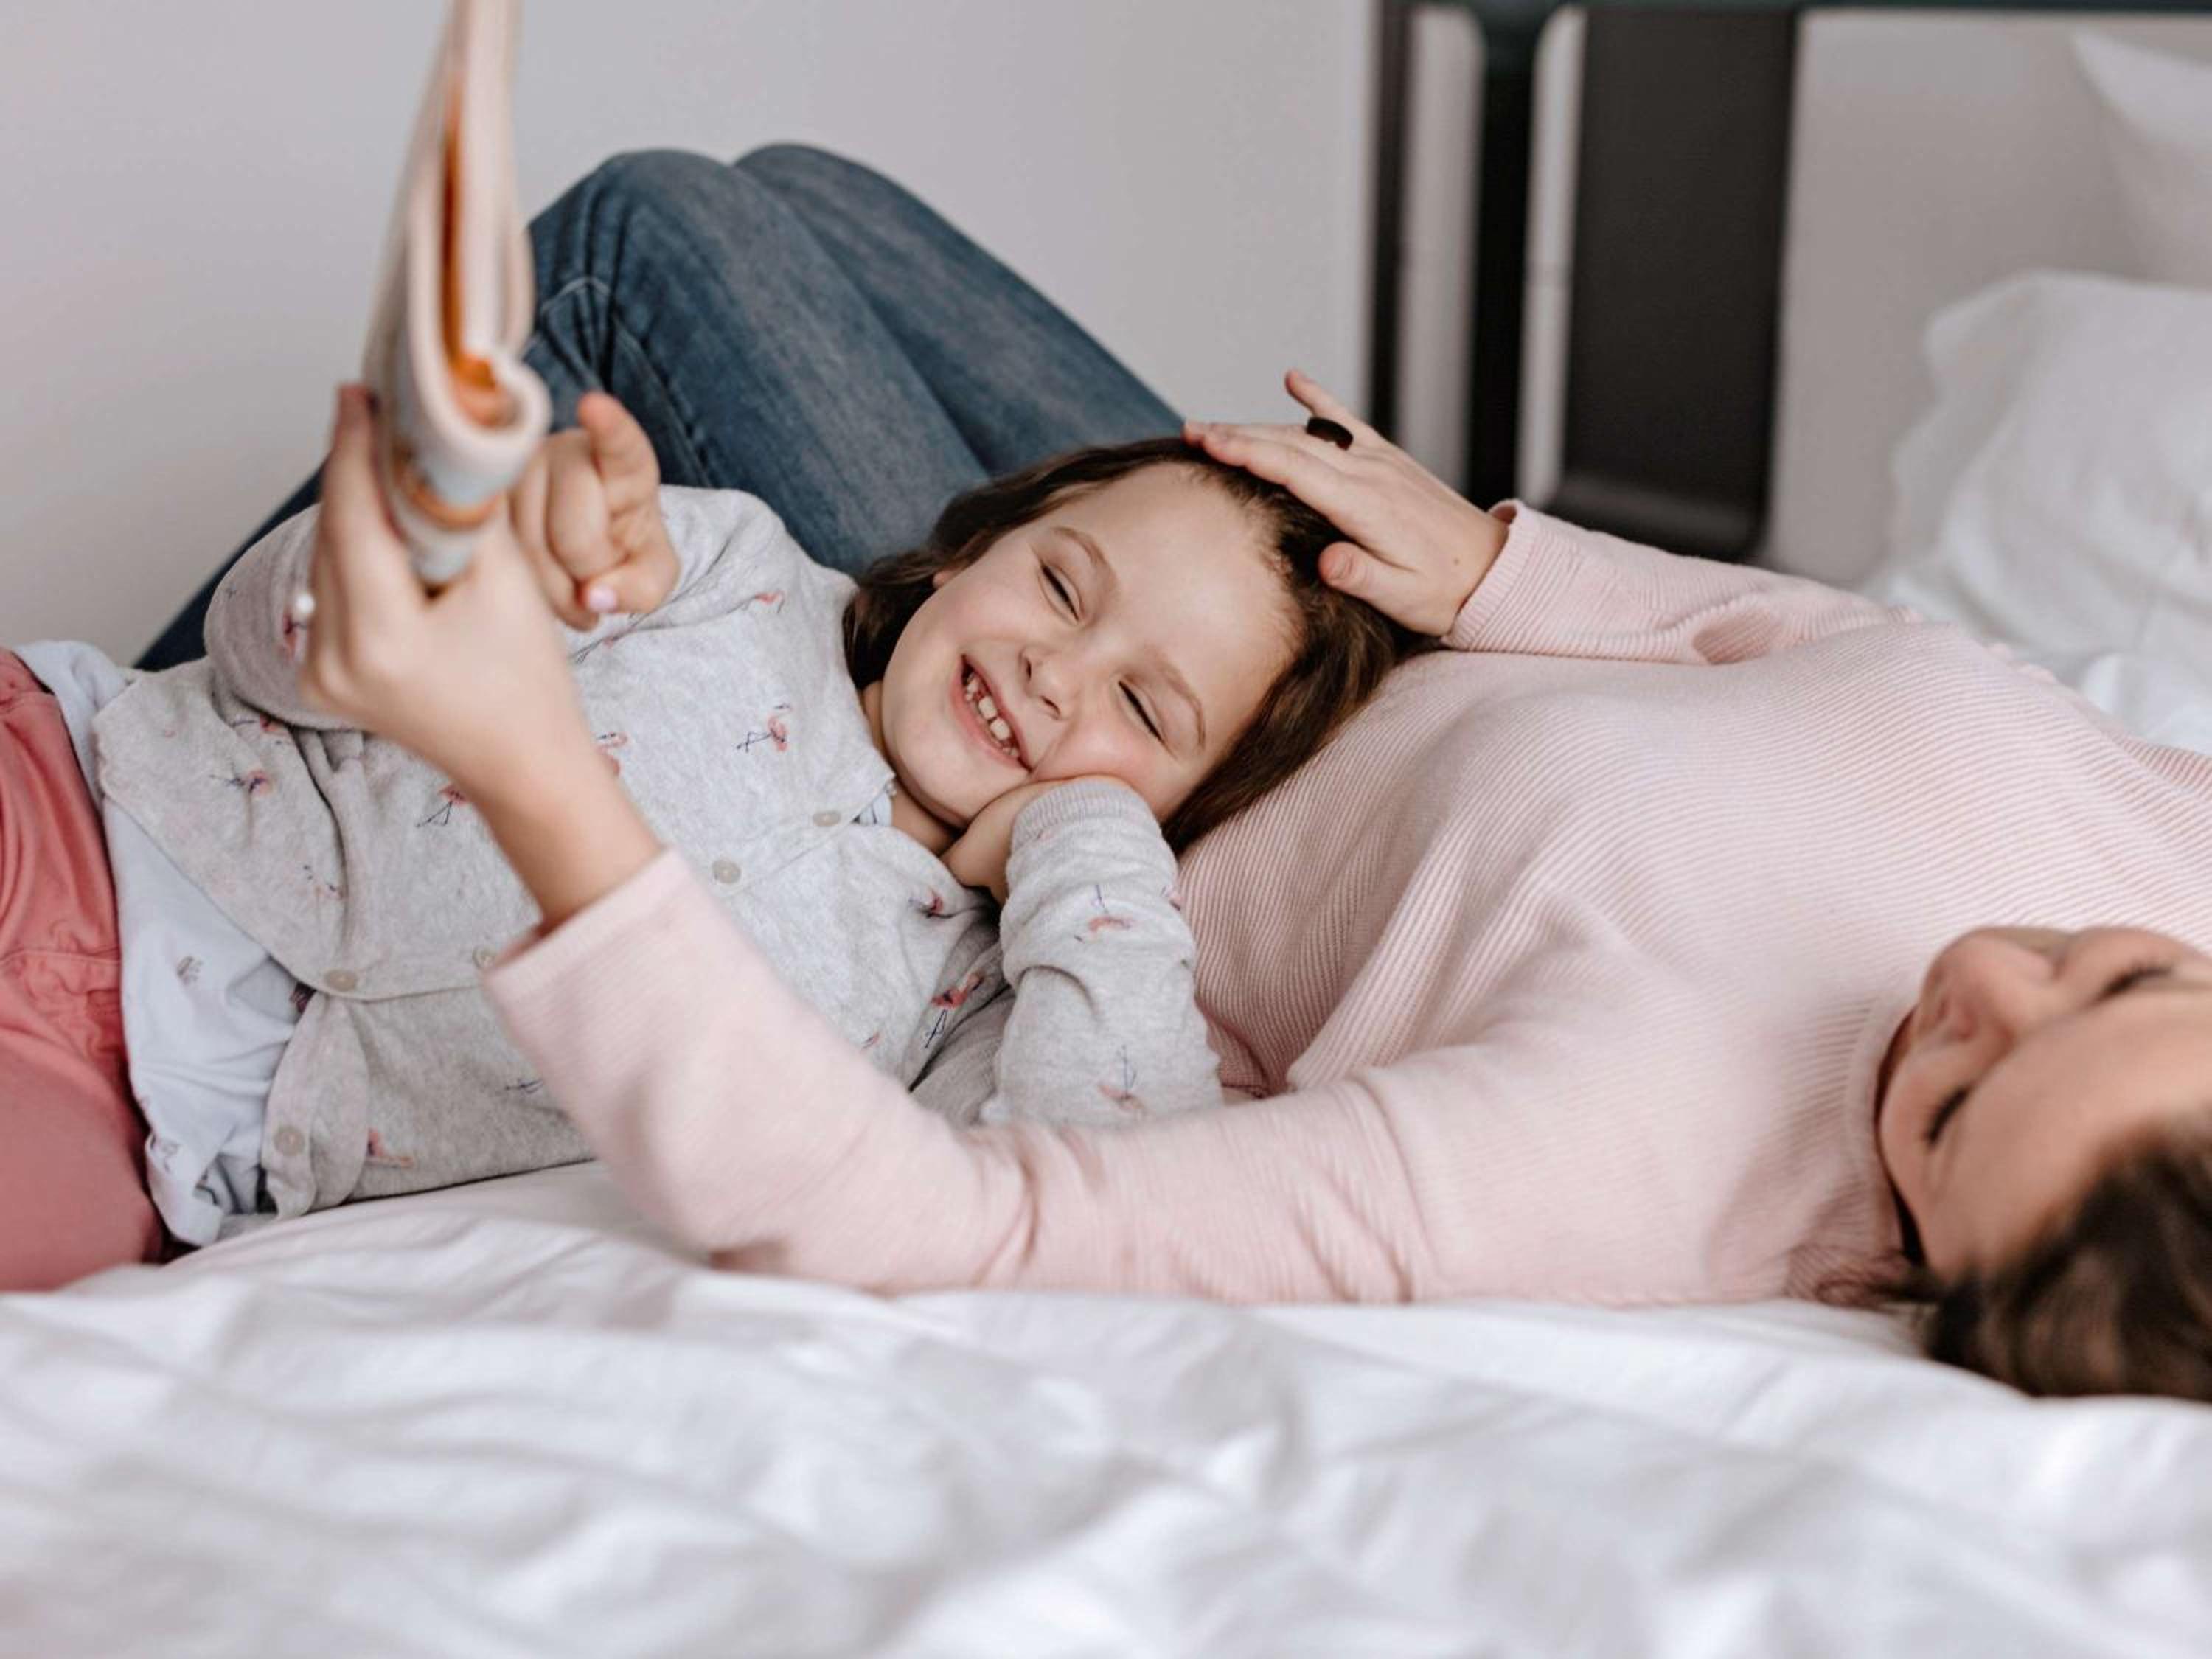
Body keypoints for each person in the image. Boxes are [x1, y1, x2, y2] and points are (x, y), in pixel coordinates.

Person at [97, 150, 2212, 1400]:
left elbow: (972, 1223)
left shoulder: (1635, 1161)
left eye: (1954, 1108)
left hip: (1157, 755)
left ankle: (200, 804)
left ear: (1918, 1282)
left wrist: (1079, 846)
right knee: (803, 197)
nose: (1979, 979)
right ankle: (222, 747)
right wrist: (1507, 566)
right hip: (1373, 596)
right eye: (2117, 978)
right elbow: (1846, 653)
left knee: (650, 239)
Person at [6, 367, 1410, 1273]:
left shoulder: (968, 1003)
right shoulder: (722, 567)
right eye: (1059, 585)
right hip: (86, 803)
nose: (1056, 669)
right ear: (974, 549)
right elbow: (268, 638)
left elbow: (1100, 1197)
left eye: (1143, 710)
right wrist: (471, 552)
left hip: (168, 1128)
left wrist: (1084, 841)